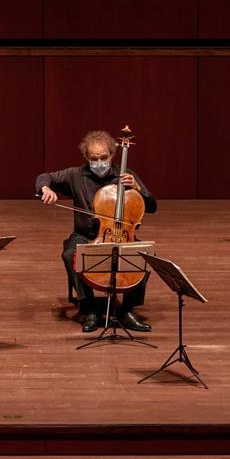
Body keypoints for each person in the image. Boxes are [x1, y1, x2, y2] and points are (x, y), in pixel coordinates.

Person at [36, 130, 158, 333]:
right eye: (94, 158)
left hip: (122, 234)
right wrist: (46, 189)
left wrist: (137, 188)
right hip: (84, 235)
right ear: (87, 158)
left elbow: (152, 206)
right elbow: (45, 177)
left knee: (144, 256)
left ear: (111, 155)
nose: (99, 162)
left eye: (104, 157)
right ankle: (89, 308)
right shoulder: (75, 175)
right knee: (70, 255)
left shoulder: (126, 175)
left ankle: (127, 310)